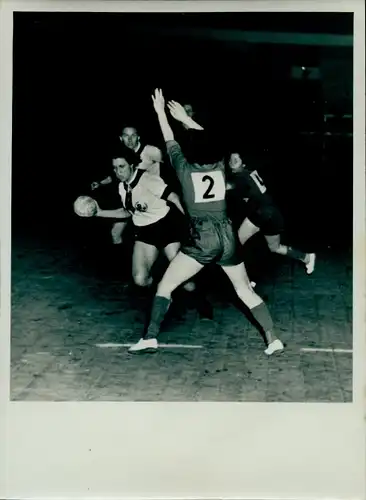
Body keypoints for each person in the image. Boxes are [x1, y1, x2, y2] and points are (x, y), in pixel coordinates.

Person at [128, 89, 284, 356]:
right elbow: (210, 138)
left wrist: (161, 113)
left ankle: (150, 337)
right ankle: (273, 339)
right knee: (244, 289)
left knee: (165, 285)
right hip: (228, 235)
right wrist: (188, 121)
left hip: (203, 237)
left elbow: (169, 140)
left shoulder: (183, 168)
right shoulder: (220, 166)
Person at [94, 147, 196, 293]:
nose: (118, 171)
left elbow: (173, 197)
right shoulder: (122, 187)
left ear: (131, 165)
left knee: (187, 283)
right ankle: (162, 294)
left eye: (121, 166)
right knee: (140, 279)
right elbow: (128, 212)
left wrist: (190, 222)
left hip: (167, 227)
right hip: (145, 232)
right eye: (115, 168)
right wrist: (99, 213)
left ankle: (201, 303)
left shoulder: (147, 179)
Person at [226, 152, 316, 274]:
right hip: (273, 213)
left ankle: (246, 279)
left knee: (236, 246)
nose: (233, 161)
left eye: (237, 159)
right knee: (275, 247)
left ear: (243, 163)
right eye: (232, 159)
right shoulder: (250, 172)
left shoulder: (239, 178)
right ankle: (307, 257)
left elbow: (226, 187)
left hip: (261, 212)